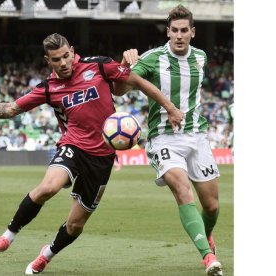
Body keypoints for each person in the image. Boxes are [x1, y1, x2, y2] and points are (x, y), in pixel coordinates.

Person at [0, 33, 183, 274]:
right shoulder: (49, 88)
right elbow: (10, 109)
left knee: (75, 224)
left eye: (66, 56)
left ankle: (46, 254)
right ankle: (7, 237)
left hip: (101, 159)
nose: (63, 63)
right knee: (48, 187)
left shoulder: (98, 66)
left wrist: (171, 108)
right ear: (48, 61)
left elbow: (136, 82)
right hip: (73, 146)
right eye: (56, 59)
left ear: (73, 51)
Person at [115, 5, 223, 276]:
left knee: (211, 206)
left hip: (197, 137)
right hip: (163, 138)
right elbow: (119, 89)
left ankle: (205, 235)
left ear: (193, 32)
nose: (178, 35)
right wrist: (124, 64)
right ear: (168, 32)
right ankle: (208, 257)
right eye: (174, 30)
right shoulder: (151, 59)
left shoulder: (200, 57)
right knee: (182, 190)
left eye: (184, 30)